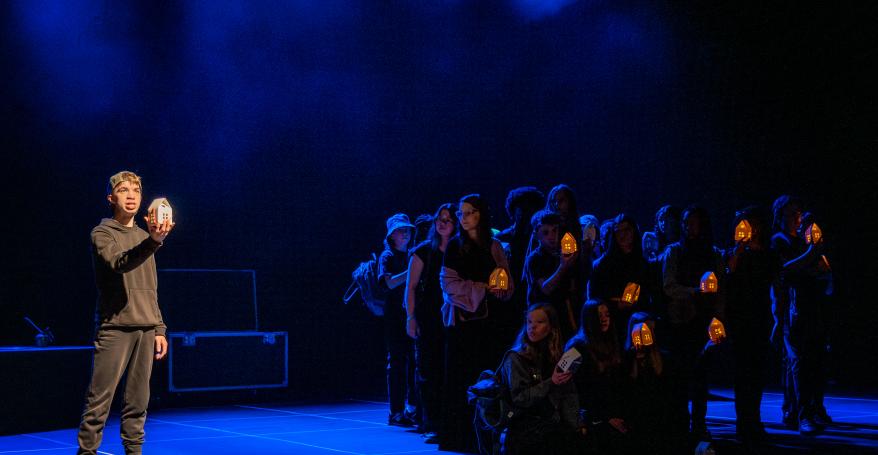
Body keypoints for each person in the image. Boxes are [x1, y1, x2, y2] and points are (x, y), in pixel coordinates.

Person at [77, 171, 174, 455]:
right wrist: (153, 242)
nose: (131, 195)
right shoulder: (102, 233)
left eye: (136, 191)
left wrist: (159, 328)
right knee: (99, 403)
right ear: (111, 198)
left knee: (138, 402)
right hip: (115, 327)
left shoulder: (145, 236)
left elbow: (150, 287)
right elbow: (119, 264)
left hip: (145, 328)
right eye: (123, 190)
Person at [440, 194, 514, 452]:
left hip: (490, 322)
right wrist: (482, 288)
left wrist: (501, 290)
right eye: (461, 213)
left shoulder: (494, 246)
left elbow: (505, 281)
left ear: (481, 214)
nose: (464, 218)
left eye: (470, 212)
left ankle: (489, 433)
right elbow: (448, 284)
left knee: (487, 377)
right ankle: (461, 437)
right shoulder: (454, 247)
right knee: (463, 377)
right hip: (463, 322)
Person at [662, 205, 726, 441]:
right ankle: (680, 423)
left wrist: (718, 318)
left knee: (701, 377)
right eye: (687, 222)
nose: (690, 227)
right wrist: (694, 292)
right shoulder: (674, 252)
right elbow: (668, 286)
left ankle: (699, 424)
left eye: (695, 222)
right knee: (679, 377)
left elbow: (721, 290)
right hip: (680, 321)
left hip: (704, 322)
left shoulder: (714, 253)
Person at [770, 196, 830, 435]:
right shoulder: (779, 241)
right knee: (797, 361)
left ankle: (798, 410)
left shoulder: (801, 241)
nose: (797, 218)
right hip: (791, 309)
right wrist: (812, 254)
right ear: (780, 216)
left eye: (798, 213)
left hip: (809, 306)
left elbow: (818, 271)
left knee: (809, 360)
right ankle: (801, 414)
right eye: (791, 214)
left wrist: (818, 262)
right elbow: (785, 269)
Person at [499, 303, 584, 455]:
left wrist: (577, 425)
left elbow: (568, 394)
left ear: (551, 327)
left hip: (551, 429)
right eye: (529, 322)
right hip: (525, 431)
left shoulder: (556, 357)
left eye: (539, 322)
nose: (532, 327)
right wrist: (551, 382)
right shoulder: (516, 358)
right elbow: (520, 398)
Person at [404, 204, 458, 443]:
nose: (443, 223)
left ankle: (451, 422)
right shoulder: (424, 251)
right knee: (428, 370)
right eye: (440, 219)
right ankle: (432, 422)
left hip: (455, 317)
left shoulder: (460, 250)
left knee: (450, 370)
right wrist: (411, 317)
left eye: (448, 219)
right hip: (429, 317)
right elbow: (411, 287)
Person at [724, 206, 778, 445]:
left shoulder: (768, 254)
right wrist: (740, 248)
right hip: (739, 319)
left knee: (756, 375)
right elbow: (729, 273)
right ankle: (743, 424)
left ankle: (754, 421)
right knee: (742, 374)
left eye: (752, 224)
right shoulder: (734, 253)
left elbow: (775, 279)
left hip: (760, 317)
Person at [566, 300, 631, 454]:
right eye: (599, 316)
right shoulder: (576, 347)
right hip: (592, 421)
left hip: (612, 416)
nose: (604, 319)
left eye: (607, 315)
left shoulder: (612, 343)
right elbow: (571, 387)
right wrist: (605, 416)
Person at [624, 312, 688, 455]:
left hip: (660, 420)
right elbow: (627, 392)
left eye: (652, 330)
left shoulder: (664, 358)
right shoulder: (625, 359)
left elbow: (671, 393)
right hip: (637, 420)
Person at [589, 214, 655, 346]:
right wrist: (616, 305)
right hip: (610, 322)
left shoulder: (643, 264)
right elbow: (594, 297)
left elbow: (650, 293)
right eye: (618, 231)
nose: (622, 235)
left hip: (637, 320)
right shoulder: (602, 265)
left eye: (627, 230)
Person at [379, 213, 418, 427]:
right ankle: (396, 412)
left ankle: (412, 407)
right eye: (401, 230)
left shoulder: (413, 254)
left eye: (408, 229)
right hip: (395, 318)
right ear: (391, 235)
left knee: (414, 362)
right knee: (397, 363)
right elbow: (389, 283)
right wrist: (411, 271)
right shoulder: (388, 256)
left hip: (411, 316)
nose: (405, 233)